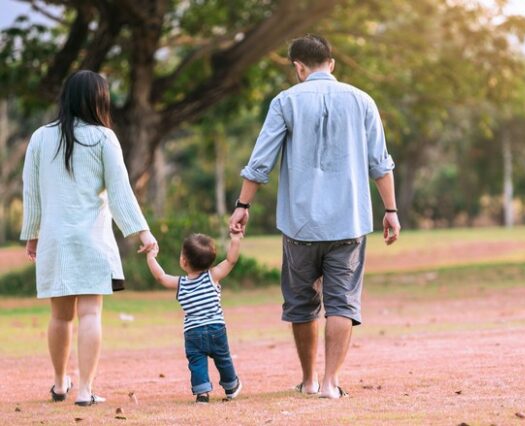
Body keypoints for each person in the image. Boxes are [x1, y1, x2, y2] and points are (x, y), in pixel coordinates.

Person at [229, 34, 401, 399]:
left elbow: (261, 162)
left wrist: (243, 205)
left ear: (298, 67)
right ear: (332, 64)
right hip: (349, 222)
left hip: (300, 224)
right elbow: (379, 164)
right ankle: (330, 383)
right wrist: (391, 210)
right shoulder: (362, 101)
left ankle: (307, 379)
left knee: (301, 302)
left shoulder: (285, 102)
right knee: (342, 302)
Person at [20, 70, 157, 406]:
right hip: (92, 239)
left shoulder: (40, 138)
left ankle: (58, 384)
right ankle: (85, 391)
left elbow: (32, 193)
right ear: (99, 99)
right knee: (91, 315)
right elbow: (121, 191)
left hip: (55, 239)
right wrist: (142, 231)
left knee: (60, 316)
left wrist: (31, 234)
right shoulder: (103, 138)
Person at [146, 232, 243, 403]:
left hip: (193, 332)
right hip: (216, 328)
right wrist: (235, 239)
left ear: (184, 261)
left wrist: (151, 257)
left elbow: (160, 277)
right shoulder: (213, 276)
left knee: (197, 362)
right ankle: (230, 386)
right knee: (223, 358)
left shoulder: (180, 283)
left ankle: (202, 393)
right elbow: (231, 260)